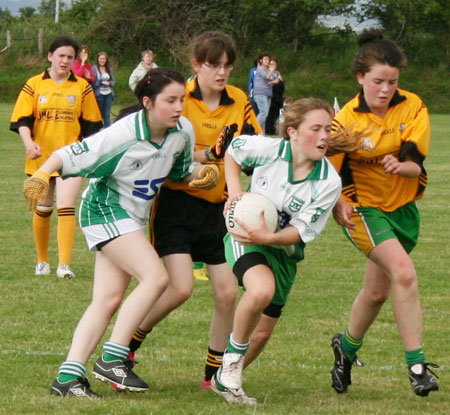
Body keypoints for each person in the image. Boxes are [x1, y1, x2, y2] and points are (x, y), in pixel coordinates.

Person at [22, 67, 220, 398]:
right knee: (156, 278)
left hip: (131, 218)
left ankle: (68, 378)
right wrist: (42, 173)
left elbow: (182, 171)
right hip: (103, 211)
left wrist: (201, 175)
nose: (178, 108)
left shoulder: (181, 130)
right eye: (169, 100)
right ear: (147, 102)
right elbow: (67, 154)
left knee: (107, 299)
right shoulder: (123, 134)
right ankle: (113, 358)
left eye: (181, 100)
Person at [125, 31, 262, 402]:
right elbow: (162, 147)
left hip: (218, 210)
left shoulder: (240, 101)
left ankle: (213, 372)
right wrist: (203, 159)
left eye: (227, 66)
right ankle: (128, 343)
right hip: (175, 205)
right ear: (196, 65)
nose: (221, 72)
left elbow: (253, 148)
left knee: (227, 292)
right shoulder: (178, 97)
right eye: (213, 65)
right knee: (180, 288)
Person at [328, 29, 439, 397]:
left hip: (403, 208)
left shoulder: (413, 106)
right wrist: (338, 201)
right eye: (378, 81)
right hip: (363, 210)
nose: (385, 89)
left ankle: (345, 348)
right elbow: (330, 174)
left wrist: (399, 165)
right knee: (404, 274)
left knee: (376, 293)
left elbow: (415, 164)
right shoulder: (345, 120)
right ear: (360, 77)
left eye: (392, 81)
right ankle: (418, 366)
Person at [211, 98, 342, 404]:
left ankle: (225, 379)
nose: (324, 136)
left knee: (261, 334)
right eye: (316, 129)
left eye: (328, 129)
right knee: (260, 291)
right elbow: (233, 151)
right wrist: (236, 193)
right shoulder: (268, 150)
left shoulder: (328, 182)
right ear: (292, 132)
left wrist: (269, 237)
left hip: (284, 252)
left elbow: (299, 232)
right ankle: (230, 365)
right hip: (244, 236)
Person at [10, 35, 103, 279]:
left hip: (70, 158)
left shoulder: (82, 86)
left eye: (70, 57)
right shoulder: (34, 84)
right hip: (40, 159)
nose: (65, 61)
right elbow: (22, 120)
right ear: (50, 56)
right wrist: (29, 144)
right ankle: (42, 261)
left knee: (66, 207)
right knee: (43, 208)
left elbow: (93, 126)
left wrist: (83, 152)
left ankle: (64, 265)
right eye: (60, 56)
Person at [252, 53, 276, 133]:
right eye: (265, 59)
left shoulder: (268, 70)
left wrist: (275, 81)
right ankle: (254, 129)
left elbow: (276, 78)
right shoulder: (260, 68)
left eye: (268, 59)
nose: (267, 61)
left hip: (268, 93)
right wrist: (272, 70)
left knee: (264, 115)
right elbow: (267, 77)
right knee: (263, 113)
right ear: (261, 60)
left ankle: (261, 134)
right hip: (260, 93)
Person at [92, 52, 115, 127]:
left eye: (104, 59)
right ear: (98, 59)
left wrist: (109, 83)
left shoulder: (109, 69)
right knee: (99, 114)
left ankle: (108, 131)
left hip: (108, 94)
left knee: (107, 115)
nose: (102, 60)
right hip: (99, 95)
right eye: (101, 58)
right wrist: (101, 82)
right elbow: (93, 83)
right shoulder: (94, 68)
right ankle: (97, 132)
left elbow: (113, 82)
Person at [265, 58, 285, 135]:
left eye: (274, 64)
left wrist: (277, 82)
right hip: (268, 96)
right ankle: (267, 130)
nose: (272, 66)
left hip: (276, 97)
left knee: (275, 115)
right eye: (271, 64)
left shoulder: (277, 73)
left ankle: (273, 130)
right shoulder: (265, 72)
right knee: (267, 115)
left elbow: (281, 84)